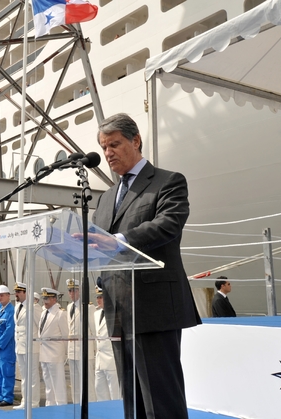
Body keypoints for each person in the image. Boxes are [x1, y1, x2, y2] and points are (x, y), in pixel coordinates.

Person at [87, 113, 201, 419]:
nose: (108, 152)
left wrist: (120, 240)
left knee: (161, 401)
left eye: (114, 144)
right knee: (132, 401)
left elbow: (168, 225)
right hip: (117, 308)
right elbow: (101, 243)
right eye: (103, 146)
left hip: (154, 307)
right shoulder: (106, 197)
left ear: (135, 141)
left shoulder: (168, 181)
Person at [65, 278, 96, 404]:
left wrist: (95, 350)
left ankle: (91, 406)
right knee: (74, 382)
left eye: (74, 291)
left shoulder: (88, 307)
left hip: (84, 351)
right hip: (72, 350)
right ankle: (77, 406)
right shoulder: (68, 307)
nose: (71, 293)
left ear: (79, 291)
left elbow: (93, 331)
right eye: (70, 291)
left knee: (87, 383)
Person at [38, 287, 68, 406]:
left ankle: (61, 407)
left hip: (55, 355)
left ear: (54, 299)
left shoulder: (60, 314)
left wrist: (64, 354)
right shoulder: (43, 313)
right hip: (44, 353)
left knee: (58, 384)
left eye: (47, 298)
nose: (44, 301)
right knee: (48, 385)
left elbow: (66, 336)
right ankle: (50, 406)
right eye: (44, 298)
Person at [13, 282, 41, 409]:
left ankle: (33, 403)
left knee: (33, 377)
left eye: (18, 292)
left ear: (25, 292)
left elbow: (40, 327)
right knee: (24, 377)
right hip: (20, 346)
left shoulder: (33, 307)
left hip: (31, 347)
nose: (16, 294)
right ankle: (25, 401)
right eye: (16, 292)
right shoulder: (17, 306)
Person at [0, 285, 16, 407]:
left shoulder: (11, 311)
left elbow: (9, 330)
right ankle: (0, 395)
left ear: (8, 295)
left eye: (2, 295)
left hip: (6, 349)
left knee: (7, 373)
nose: (0, 298)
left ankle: (7, 397)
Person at [93, 287, 120, 401]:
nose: (98, 300)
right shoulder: (96, 313)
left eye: (101, 297)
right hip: (99, 361)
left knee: (115, 394)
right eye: (97, 297)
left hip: (111, 360)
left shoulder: (116, 314)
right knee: (100, 392)